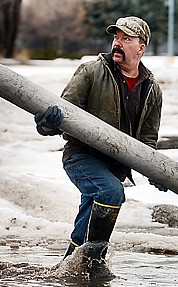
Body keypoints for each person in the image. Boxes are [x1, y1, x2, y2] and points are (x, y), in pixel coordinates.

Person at [34, 16, 165, 268]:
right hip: (81, 156)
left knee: (87, 223)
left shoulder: (151, 90)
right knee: (110, 193)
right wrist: (47, 124)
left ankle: (67, 268)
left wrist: (156, 170)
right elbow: (62, 113)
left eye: (127, 39)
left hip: (113, 167)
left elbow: (147, 141)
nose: (118, 43)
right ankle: (93, 263)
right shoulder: (91, 72)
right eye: (116, 37)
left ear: (141, 48)